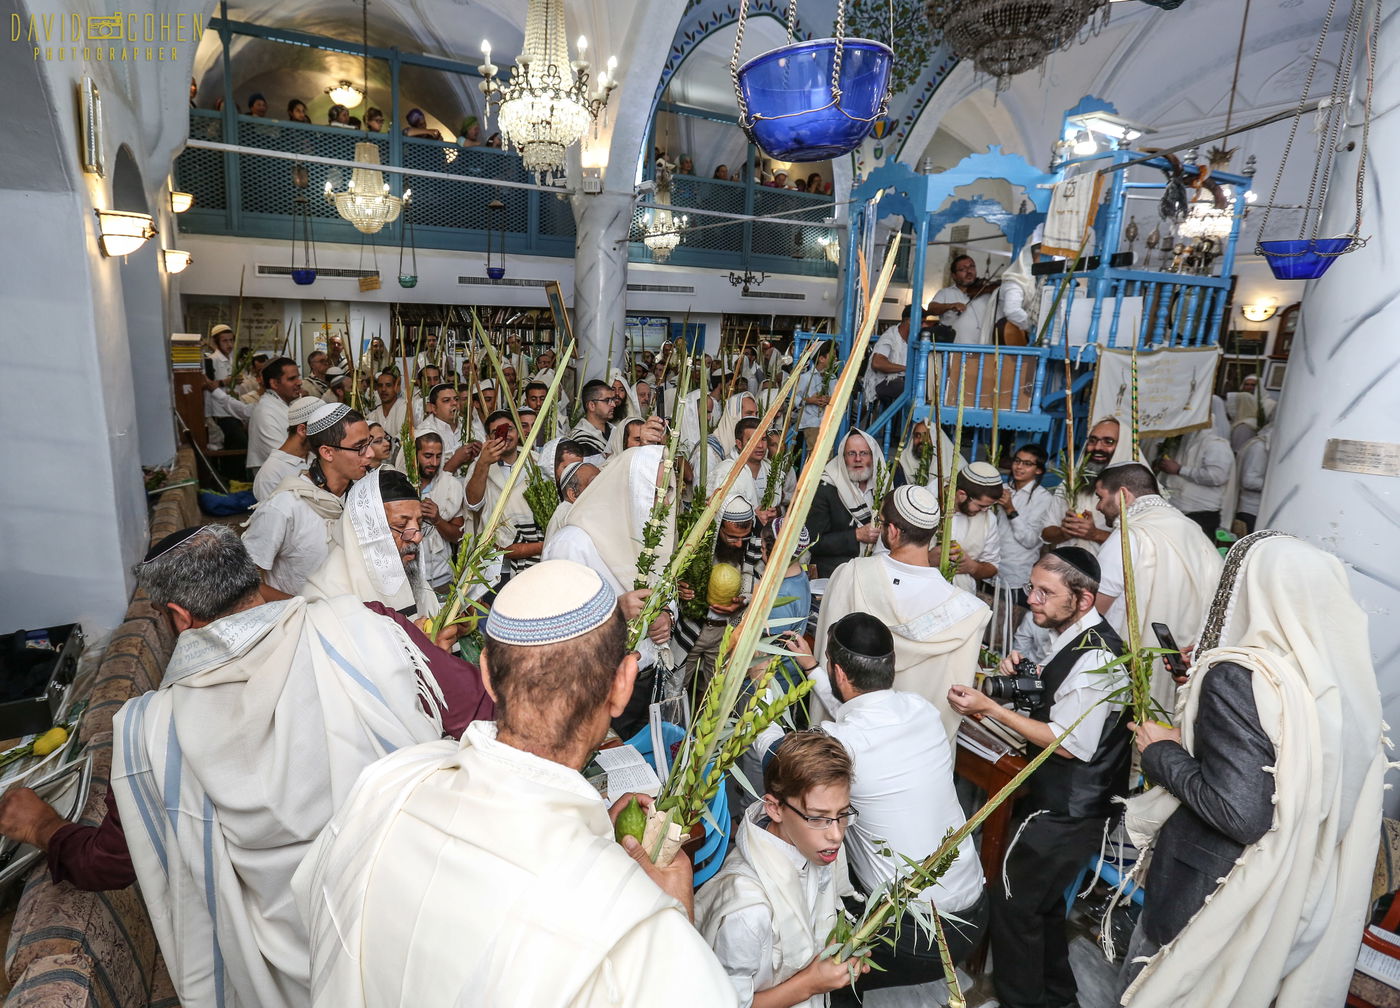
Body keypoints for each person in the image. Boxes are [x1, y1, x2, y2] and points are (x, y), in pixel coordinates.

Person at [0, 525, 463, 1008]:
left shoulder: (153, 730)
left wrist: (44, 826)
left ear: (178, 616)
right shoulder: (366, 629)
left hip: (294, 969)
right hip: (410, 919)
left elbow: (110, 861)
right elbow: (476, 715)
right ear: (250, 577)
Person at [293, 559, 737, 1007]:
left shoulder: (387, 785)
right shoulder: (638, 927)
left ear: (486, 675)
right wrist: (676, 912)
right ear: (623, 684)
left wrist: (593, 834)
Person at [1118, 532, 1385, 1008]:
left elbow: (1240, 812)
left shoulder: (1239, 678)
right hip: (1291, 891)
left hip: (1211, 894)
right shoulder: (1341, 685)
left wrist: (1163, 753)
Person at [949, 547, 1129, 1008]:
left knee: (1012, 904)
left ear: (1084, 599)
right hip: (1066, 801)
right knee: (1043, 907)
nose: (1032, 599)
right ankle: (1059, 998)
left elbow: (1068, 741)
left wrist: (989, 707)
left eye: (1046, 592)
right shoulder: (1078, 637)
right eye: (1032, 587)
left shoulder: (1095, 659)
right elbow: (1062, 704)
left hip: (1067, 807)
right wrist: (1029, 679)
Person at [789, 612, 987, 1004]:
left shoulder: (838, 745)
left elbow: (787, 755)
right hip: (976, 914)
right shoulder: (922, 711)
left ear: (841, 674)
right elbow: (863, 715)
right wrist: (814, 668)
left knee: (817, 969)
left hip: (918, 938)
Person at [696, 732, 865, 1008]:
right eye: (818, 818)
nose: (836, 834)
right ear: (774, 808)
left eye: (843, 815)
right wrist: (811, 983)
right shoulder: (748, 913)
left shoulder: (814, 845)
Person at [816, 486, 989, 738]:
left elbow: (827, 656)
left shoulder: (852, 574)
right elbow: (956, 697)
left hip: (850, 740)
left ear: (893, 531)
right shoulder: (968, 613)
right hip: (916, 752)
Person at [542, 446, 675, 738]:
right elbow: (553, 625)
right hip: (600, 685)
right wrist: (614, 612)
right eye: (654, 491)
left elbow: (667, 586)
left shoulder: (649, 534)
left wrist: (667, 615)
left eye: (668, 490)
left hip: (648, 677)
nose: (664, 502)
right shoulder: (572, 543)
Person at [1093, 462, 1223, 712]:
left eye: (1100, 497)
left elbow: (1096, 608)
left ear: (1122, 495)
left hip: (1129, 671)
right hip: (1185, 666)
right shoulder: (1194, 531)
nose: (1098, 506)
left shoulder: (1130, 535)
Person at [242, 404, 373, 594]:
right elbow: (245, 581)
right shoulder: (284, 507)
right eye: (359, 447)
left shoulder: (365, 497)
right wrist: (300, 608)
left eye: (369, 443)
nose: (370, 453)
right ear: (327, 452)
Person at [302, 466, 441, 619]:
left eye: (420, 524)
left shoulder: (407, 570)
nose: (418, 537)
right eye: (401, 526)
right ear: (368, 532)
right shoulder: (325, 596)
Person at [463, 410, 544, 575]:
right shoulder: (479, 466)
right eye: (496, 432)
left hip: (533, 555)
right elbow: (473, 504)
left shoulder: (536, 461)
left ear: (518, 432)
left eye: (510, 429)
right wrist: (483, 464)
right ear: (488, 438)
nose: (506, 435)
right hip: (494, 560)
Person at [1041, 416, 1130, 552]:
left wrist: (1095, 534)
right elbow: (1046, 533)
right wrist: (1065, 532)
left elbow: (1141, 546)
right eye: (1092, 440)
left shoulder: (1137, 489)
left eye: (1108, 442)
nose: (1097, 447)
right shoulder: (1070, 483)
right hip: (1066, 567)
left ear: (1123, 446)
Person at [806, 430, 885, 579]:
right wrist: (856, 535)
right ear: (843, 458)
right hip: (835, 573)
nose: (858, 459)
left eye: (864, 453)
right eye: (851, 453)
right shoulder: (826, 488)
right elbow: (814, 543)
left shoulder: (883, 486)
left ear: (873, 457)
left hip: (874, 570)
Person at [1155, 400, 1235, 539]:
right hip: (1178, 510)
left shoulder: (1215, 445)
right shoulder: (1184, 442)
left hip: (1200, 513)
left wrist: (1180, 470)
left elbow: (1217, 476)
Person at [409, 431, 466, 591]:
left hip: (441, 575)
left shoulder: (450, 486)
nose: (434, 462)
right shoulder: (401, 483)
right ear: (415, 454)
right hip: (408, 577)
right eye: (428, 456)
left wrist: (438, 520)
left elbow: (458, 537)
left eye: (438, 456)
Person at [938, 461, 1004, 594]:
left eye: (989, 506)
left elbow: (993, 566)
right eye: (981, 505)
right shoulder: (929, 503)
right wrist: (928, 558)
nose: (985, 510)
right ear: (962, 494)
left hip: (963, 597)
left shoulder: (988, 519)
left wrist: (972, 567)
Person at [252, 395, 321, 501]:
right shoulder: (271, 474)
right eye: (324, 431)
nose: (329, 437)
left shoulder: (317, 458)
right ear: (303, 430)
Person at [246, 356, 303, 471]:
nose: (299, 382)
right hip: (277, 478)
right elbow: (282, 457)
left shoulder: (284, 404)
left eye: (298, 377)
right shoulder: (265, 412)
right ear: (274, 383)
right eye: (292, 379)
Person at [927, 254, 996, 345]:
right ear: (954, 276)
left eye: (971, 267)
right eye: (963, 269)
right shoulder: (945, 293)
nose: (969, 271)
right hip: (955, 349)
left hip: (983, 350)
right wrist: (950, 306)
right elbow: (931, 308)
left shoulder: (986, 293)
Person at [202, 323, 252, 449]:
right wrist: (225, 381)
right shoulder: (211, 360)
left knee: (237, 447)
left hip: (234, 410)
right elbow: (205, 384)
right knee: (239, 444)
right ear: (216, 342)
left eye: (231, 340)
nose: (229, 344)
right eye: (225, 341)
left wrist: (237, 381)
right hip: (220, 413)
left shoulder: (232, 360)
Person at [863, 305, 909, 410]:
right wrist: (905, 368)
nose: (923, 326)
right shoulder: (890, 337)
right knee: (906, 390)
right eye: (921, 322)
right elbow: (877, 363)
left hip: (900, 381)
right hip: (881, 382)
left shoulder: (911, 339)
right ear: (909, 321)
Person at [1234, 421, 1272, 533]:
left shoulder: (1268, 447)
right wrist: (1275, 485)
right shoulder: (1259, 448)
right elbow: (1248, 480)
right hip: (1250, 510)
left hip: (1260, 510)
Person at [569, 379, 617, 457]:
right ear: (592, 405)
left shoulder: (614, 430)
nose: (613, 404)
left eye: (613, 400)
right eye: (607, 400)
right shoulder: (581, 440)